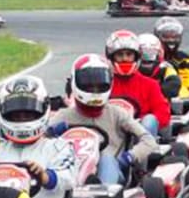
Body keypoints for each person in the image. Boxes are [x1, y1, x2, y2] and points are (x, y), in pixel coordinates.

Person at [50, 53, 159, 185]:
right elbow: (40, 143)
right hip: (70, 171)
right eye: (90, 86)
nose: (95, 91)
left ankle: (102, 197)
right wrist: (51, 133)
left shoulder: (117, 113)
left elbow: (148, 141)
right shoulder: (63, 116)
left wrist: (130, 156)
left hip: (112, 170)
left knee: (106, 159)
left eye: (99, 86)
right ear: (75, 83)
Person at [0, 75, 77, 198]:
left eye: (28, 114)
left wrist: (44, 176)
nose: (22, 120)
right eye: (16, 115)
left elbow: (69, 179)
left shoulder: (59, 147)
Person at [106, 29, 171, 135]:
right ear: (111, 57)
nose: (125, 59)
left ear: (136, 57)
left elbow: (163, 115)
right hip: (108, 133)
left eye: (129, 54)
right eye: (120, 55)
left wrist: (137, 122)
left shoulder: (150, 85)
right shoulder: (104, 84)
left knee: (149, 120)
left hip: (139, 137)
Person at [154, 16, 189, 98]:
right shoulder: (152, 57)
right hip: (156, 91)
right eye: (167, 37)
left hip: (180, 93)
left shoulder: (184, 58)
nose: (171, 40)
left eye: (174, 37)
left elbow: (188, 80)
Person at [138, 32, 182, 100]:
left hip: (160, 103)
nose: (147, 56)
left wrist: (151, 93)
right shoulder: (132, 69)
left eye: (151, 52)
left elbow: (174, 85)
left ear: (159, 52)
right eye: (144, 53)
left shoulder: (165, 67)